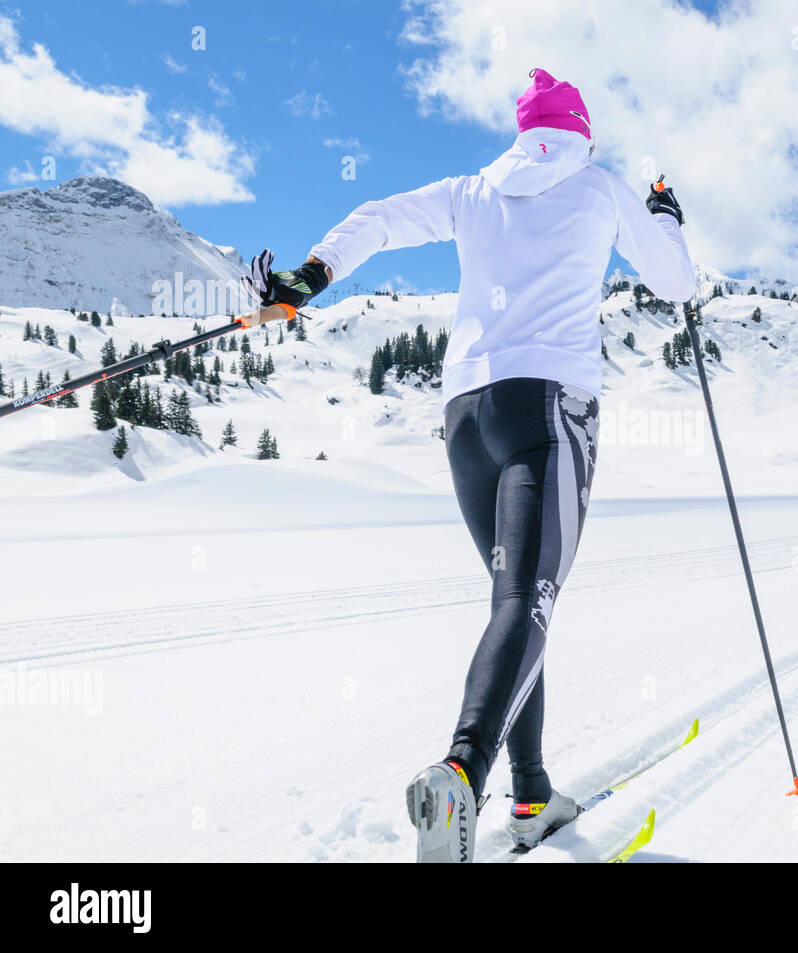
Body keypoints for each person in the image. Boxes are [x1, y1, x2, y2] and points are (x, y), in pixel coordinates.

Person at [245, 68, 694, 862]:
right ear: (580, 130)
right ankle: (465, 770)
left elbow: (378, 220)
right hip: (548, 410)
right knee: (530, 597)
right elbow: (678, 282)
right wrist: (667, 218)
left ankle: (531, 792)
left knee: (513, 602)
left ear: (523, 133)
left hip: (466, 419)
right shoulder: (598, 186)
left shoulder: (471, 190)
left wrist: (308, 278)